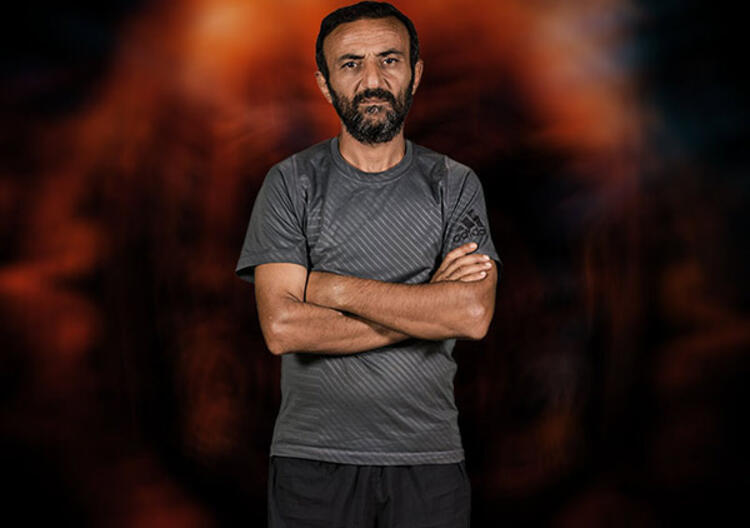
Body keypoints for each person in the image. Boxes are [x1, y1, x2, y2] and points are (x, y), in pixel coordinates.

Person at [235, 2, 501, 526]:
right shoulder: (289, 183)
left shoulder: (455, 184)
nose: (373, 80)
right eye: (351, 64)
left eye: (389, 60)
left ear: (415, 74)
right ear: (325, 83)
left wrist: (328, 288)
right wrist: (426, 308)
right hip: (312, 463)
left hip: (429, 462)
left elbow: (471, 316)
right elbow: (283, 328)